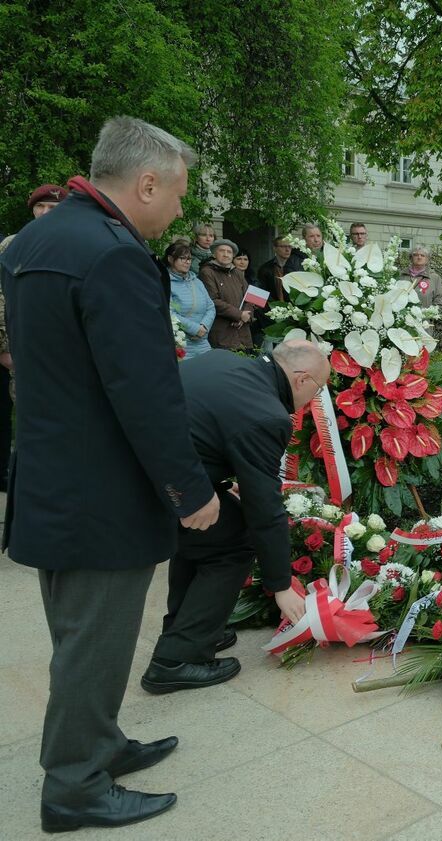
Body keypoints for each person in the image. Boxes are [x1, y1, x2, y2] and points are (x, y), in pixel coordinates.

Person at [0, 115, 221, 833]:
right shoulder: (114, 254)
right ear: (146, 182)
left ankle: (98, 743)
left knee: (83, 635)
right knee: (94, 642)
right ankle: (74, 786)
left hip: (50, 475)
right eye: (179, 194)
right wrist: (190, 489)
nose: (181, 211)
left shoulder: (38, 238)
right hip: (100, 492)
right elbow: (145, 389)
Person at [141, 341, 323, 693]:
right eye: (318, 389)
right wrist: (281, 586)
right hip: (157, 489)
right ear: (301, 379)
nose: (314, 400)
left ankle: (190, 627)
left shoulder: (224, 361)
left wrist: (217, 484)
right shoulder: (267, 413)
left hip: (149, 471)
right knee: (235, 540)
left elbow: (200, 430)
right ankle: (177, 658)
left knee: (213, 527)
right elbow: (264, 508)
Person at [0, 184, 70, 481]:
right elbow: (2, 297)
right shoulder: (14, 244)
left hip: (61, 347)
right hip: (23, 346)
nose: (45, 213)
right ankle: (27, 479)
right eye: (40, 207)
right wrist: (5, 346)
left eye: (52, 209)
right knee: (31, 418)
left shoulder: (73, 243)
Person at [199, 238, 255, 351]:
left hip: (243, 333)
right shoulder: (207, 272)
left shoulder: (238, 273)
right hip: (222, 333)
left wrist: (246, 316)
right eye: (222, 251)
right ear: (214, 254)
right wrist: (239, 315)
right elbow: (213, 301)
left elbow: (251, 297)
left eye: (229, 252)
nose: (226, 254)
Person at [166, 241, 215, 359]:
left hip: (202, 341)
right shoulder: (165, 282)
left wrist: (204, 327)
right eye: (182, 258)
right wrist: (195, 329)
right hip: (181, 344)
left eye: (189, 258)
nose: (187, 262)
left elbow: (211, 307)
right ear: (170, 259)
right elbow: (169, 312)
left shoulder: (196, 281)